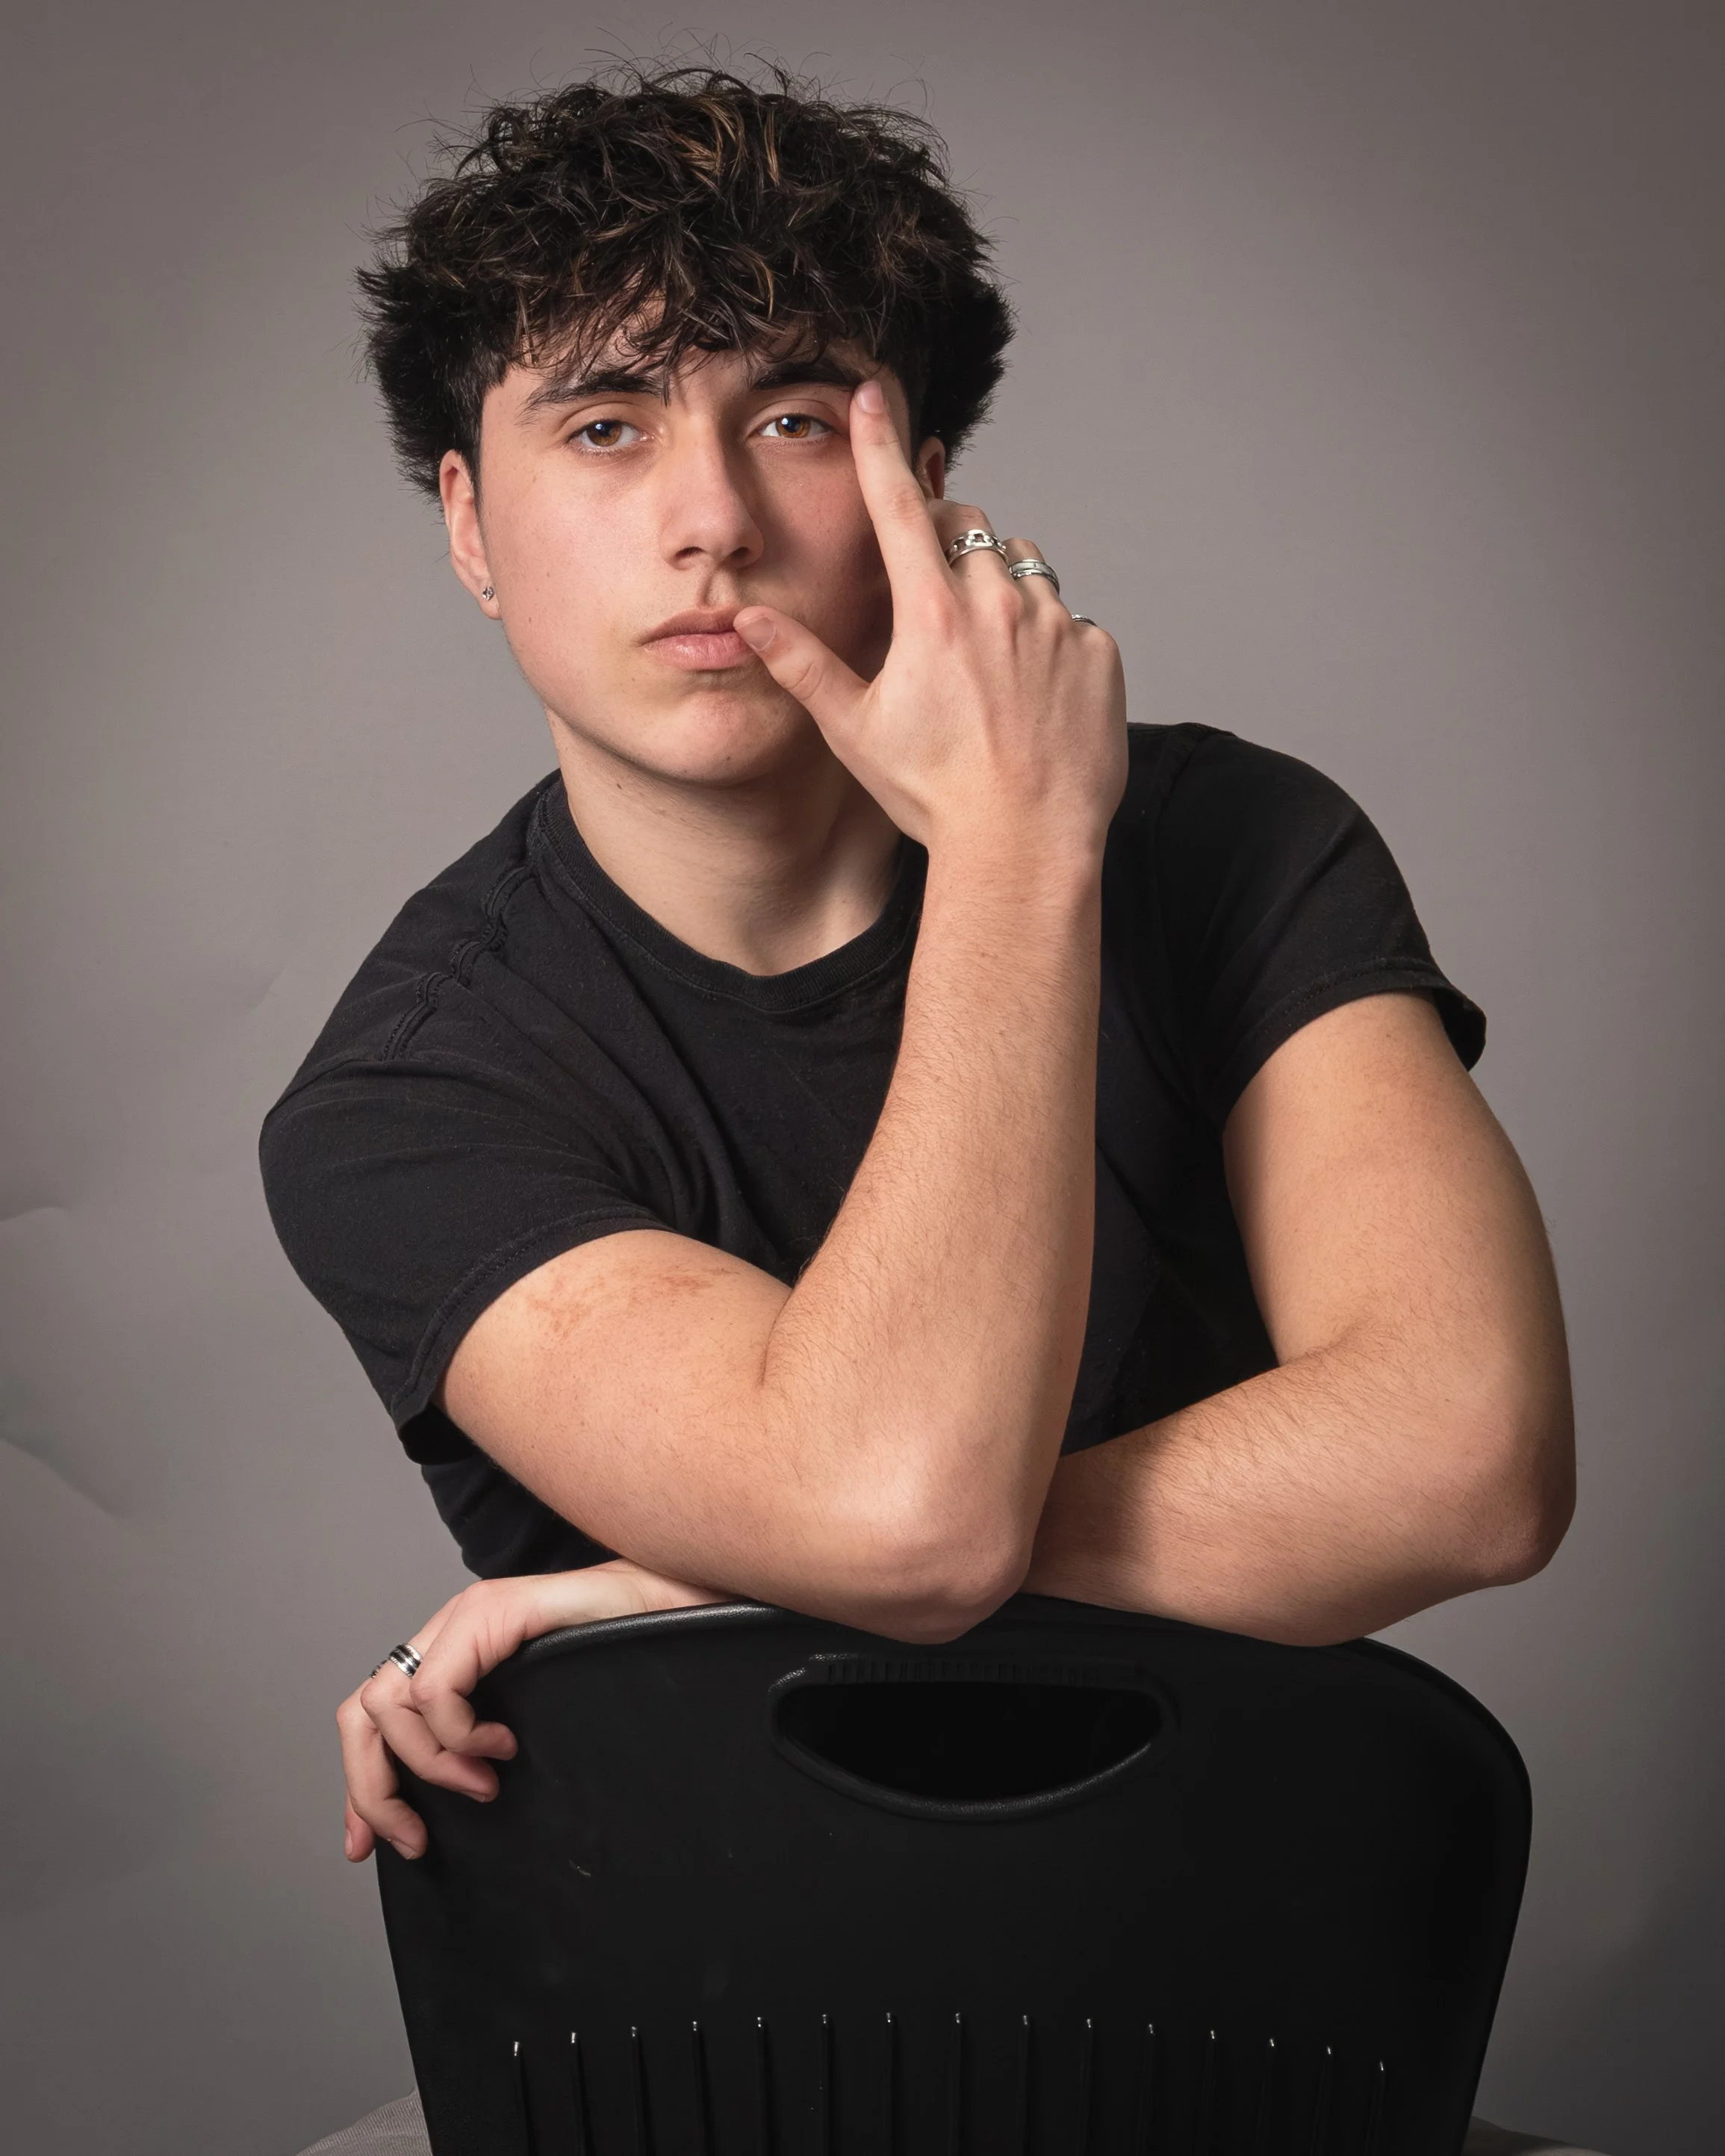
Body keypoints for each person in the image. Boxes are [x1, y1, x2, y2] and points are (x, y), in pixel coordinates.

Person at [260, 63, 1575, 1874]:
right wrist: (1026, 853)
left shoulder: (1228, 844)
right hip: (714, 2001)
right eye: (605, 427)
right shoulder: (410, 1092)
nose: (710, 516)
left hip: (1249, 1968)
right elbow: (902, 1526)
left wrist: (686, 1586)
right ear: (472, 526)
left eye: (792, 418)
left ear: (921, 486)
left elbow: (1471, 1461)